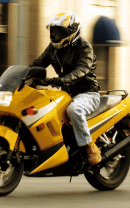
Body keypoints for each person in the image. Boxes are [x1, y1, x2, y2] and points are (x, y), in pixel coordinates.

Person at [29, 11, 102, 165]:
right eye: (53, 31)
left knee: (74, 110)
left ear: (72, 32)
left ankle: (89, 146)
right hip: (66, 94)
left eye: (59, 32)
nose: (55, 35)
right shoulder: (53, 49)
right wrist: (19, 75)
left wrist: (61, 80)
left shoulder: (84, 48)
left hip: (87, 93)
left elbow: (82, 69)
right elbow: (37, 64)